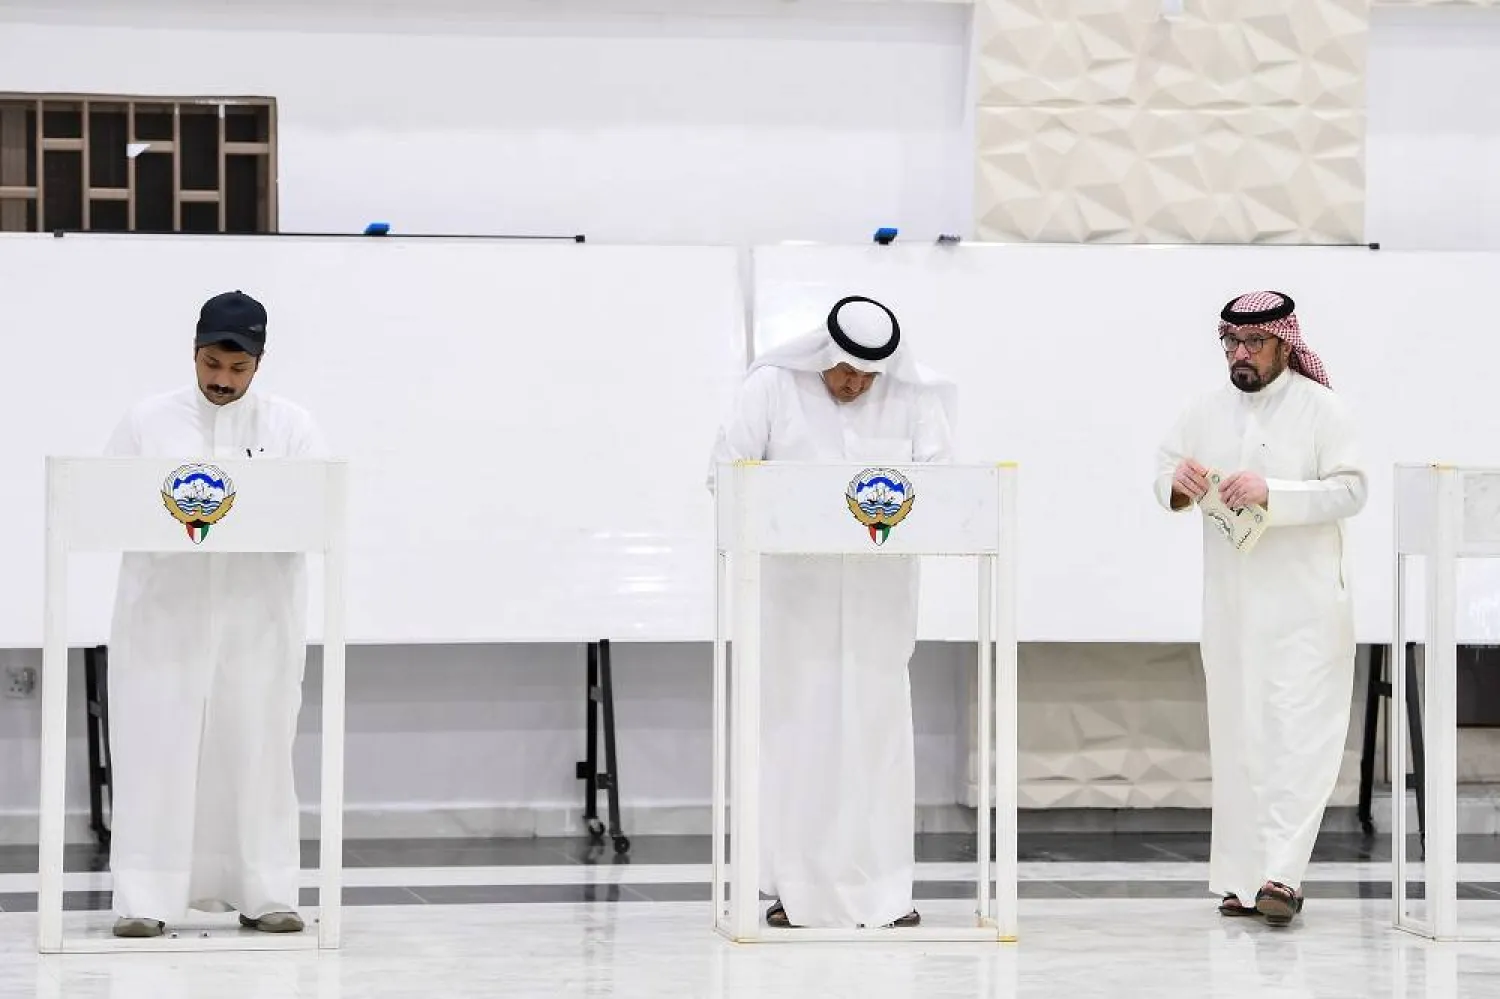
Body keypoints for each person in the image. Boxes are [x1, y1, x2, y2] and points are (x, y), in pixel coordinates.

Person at [709, 295, 956, 929]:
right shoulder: (771, 387)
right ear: (822, 352)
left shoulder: (914, 397)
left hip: (880, 604)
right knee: (801, 736)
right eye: (846, 370)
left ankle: (886, 894)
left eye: (870, 376)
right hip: (795, 603)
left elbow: (944, 486)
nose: (856, 384)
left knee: (877, 740)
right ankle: (797, 889)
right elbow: (727, 475)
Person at [105, 290, 327, 938]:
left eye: (236, 369)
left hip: (257, 621)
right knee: (154, 749)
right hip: (162, 618)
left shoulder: (291, 427)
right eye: (211, 364)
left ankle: (266, 892)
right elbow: (109, 499)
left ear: (258, 364)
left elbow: (315, 510)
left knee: (258, 748)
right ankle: (143, 898)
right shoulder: (147, 421)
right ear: (194, 352)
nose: (221, 381)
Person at [1154, 290, 1367, 928]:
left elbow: (1351, 490)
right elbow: (1165, 472)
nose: (1239, 356)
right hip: (1232, 606)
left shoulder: (1322, 409)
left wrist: (1275, 492)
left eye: (1253, 344)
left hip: (1305, 610)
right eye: (1231, 344)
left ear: (1285, 344)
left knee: (1298, 737)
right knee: (1240, 735)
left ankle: (1284, 876)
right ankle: (1243, 882)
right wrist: (1178, 486)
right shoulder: (1203, 409)